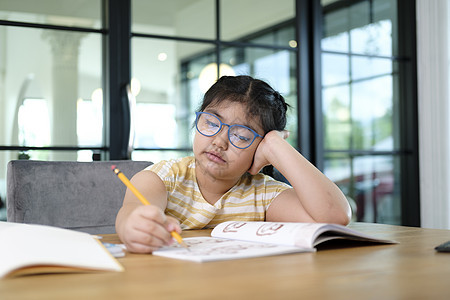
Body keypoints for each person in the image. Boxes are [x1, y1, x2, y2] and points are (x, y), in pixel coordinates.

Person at [115, 75, 351, 253]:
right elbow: (131, 213)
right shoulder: (164, 177)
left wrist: (277, 147)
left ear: (260, 149)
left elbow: (334, 216)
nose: (219, 141)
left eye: (241, 135)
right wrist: (134, 225)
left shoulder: (262, 194)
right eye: (211, 122)